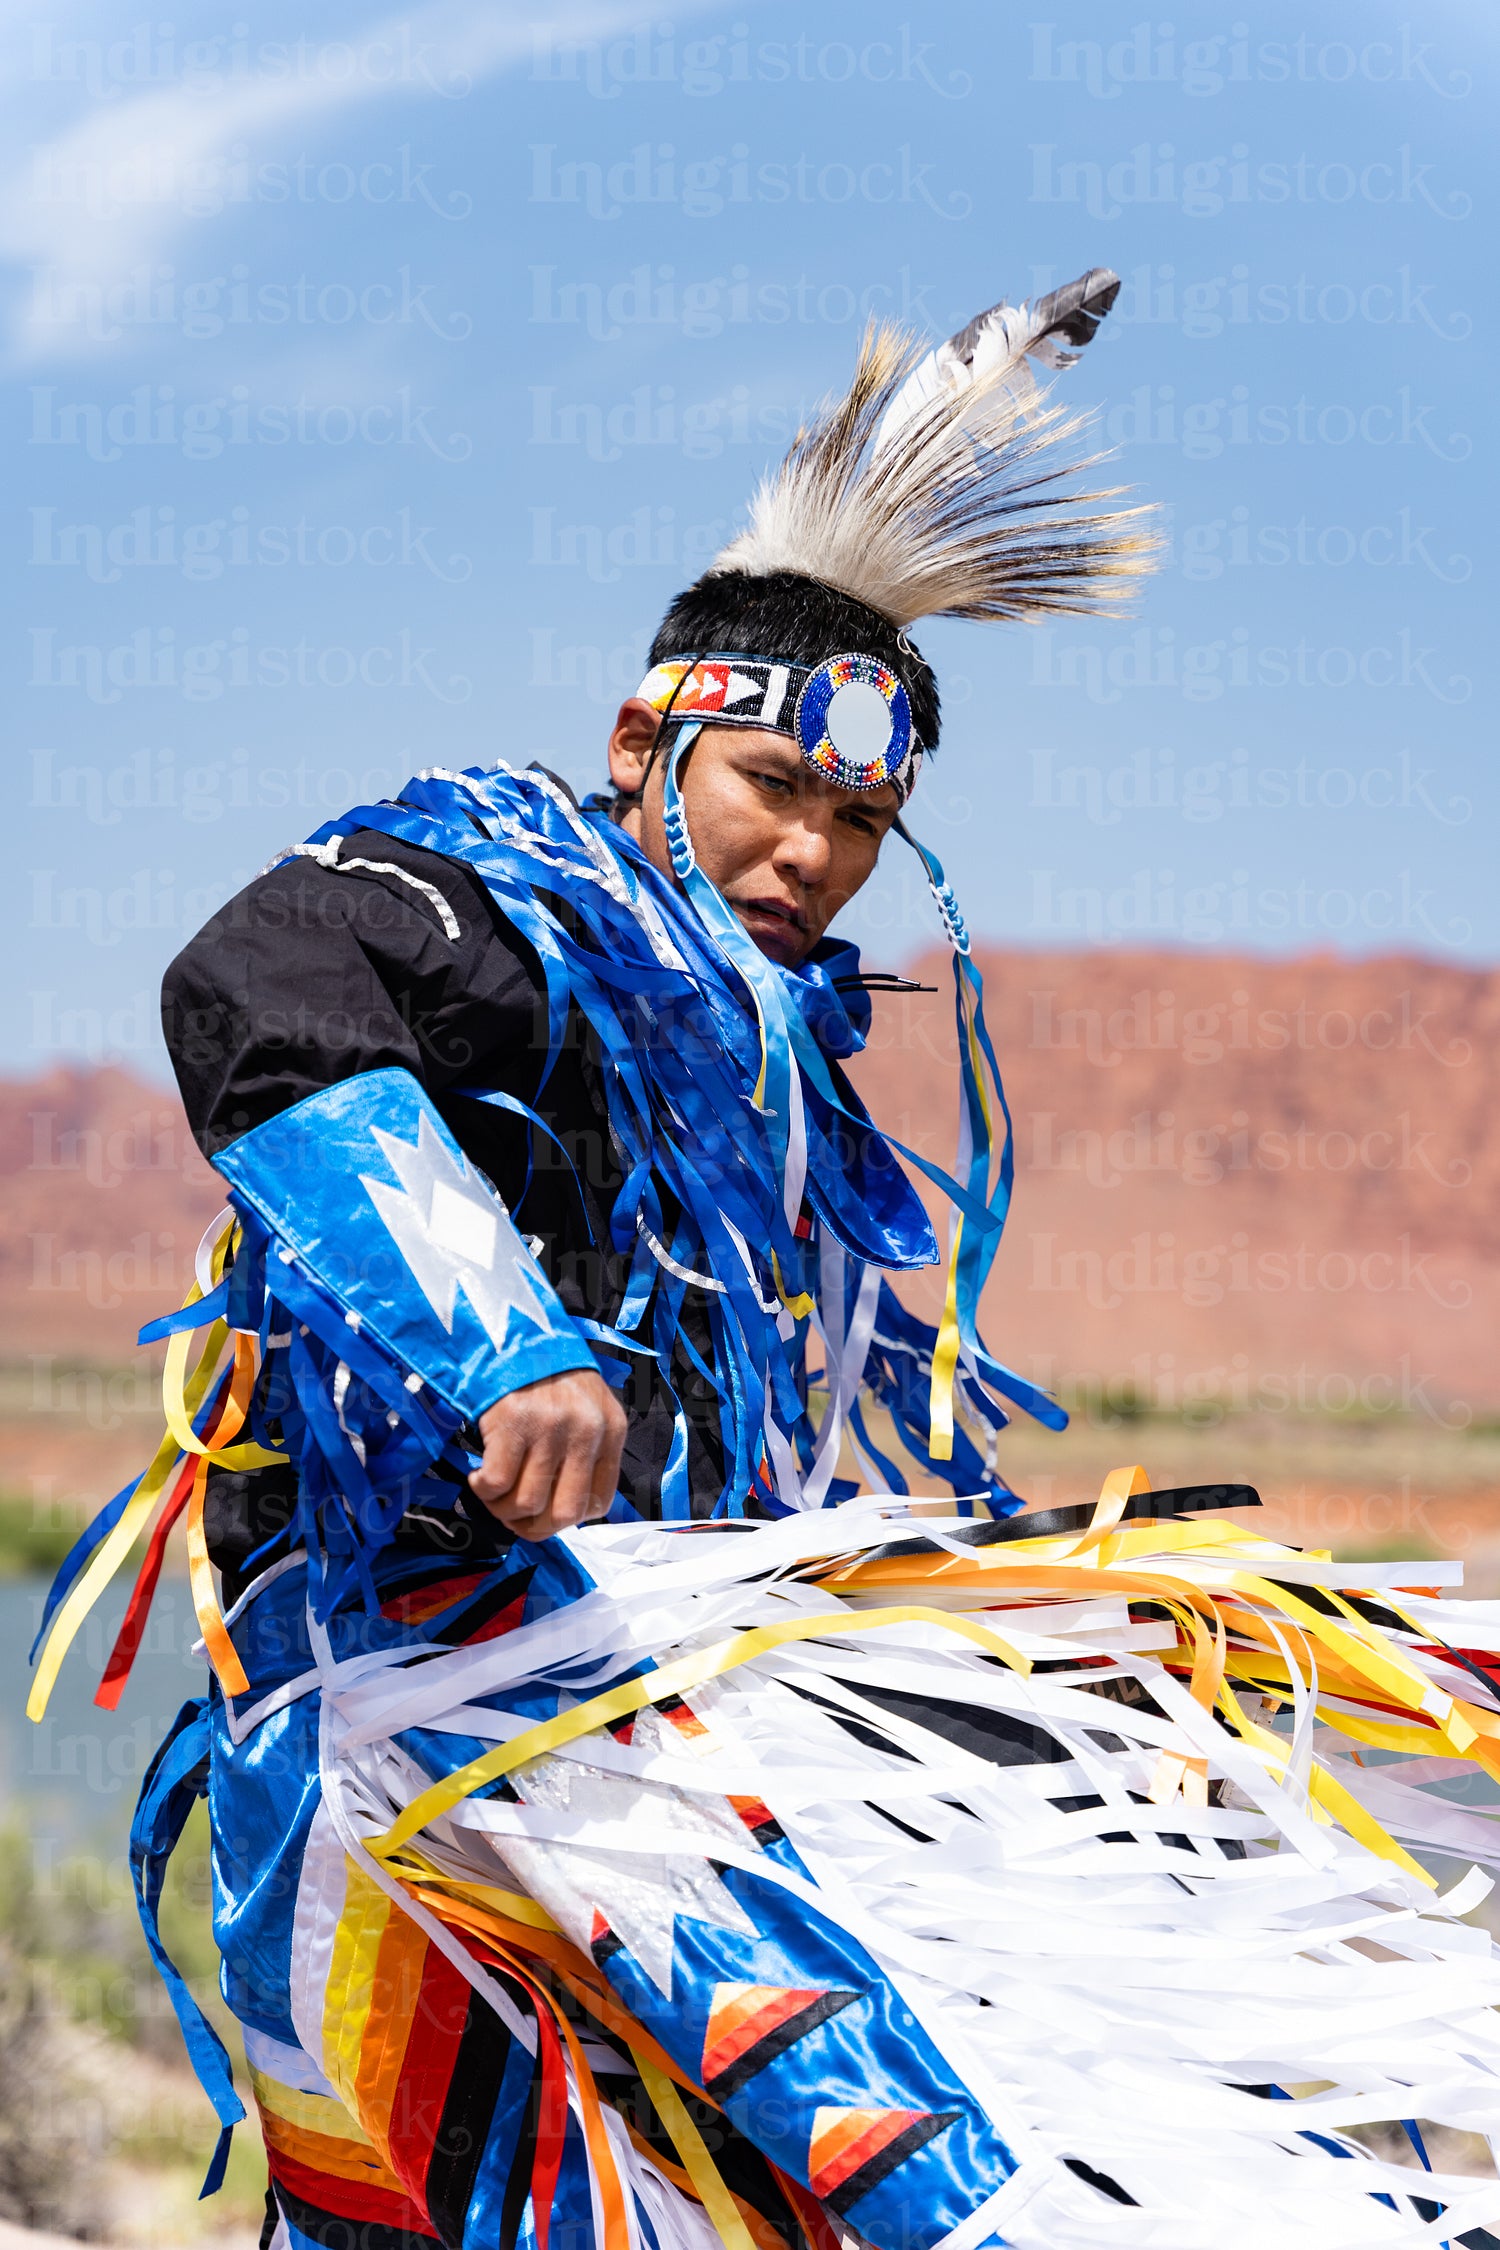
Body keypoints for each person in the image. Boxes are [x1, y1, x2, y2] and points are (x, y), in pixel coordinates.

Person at [30, 273, 1500, 2250]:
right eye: (774, 787)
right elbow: (255, 985)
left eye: (862, 816)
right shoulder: (490, 890)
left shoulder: (767, 1054)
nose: (812, 853)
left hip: (628, 1678)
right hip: (421, 1699)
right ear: (650, 741)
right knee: (887, 2150)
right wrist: (500, 1341)